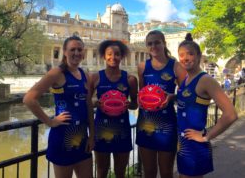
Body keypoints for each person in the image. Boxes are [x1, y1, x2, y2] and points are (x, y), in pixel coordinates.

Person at [23, 36, 94, 178]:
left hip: (82, 140)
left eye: (79, 50)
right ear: (65, 52)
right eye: (72, 49)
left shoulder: (85, 75)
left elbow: (88, 105)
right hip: (62, 138)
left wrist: (92, 135)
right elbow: (29, 99)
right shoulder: (57, 73)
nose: (76, 53)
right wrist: (50, 121)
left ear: (83, 53)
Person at [176, 33, 238, 178]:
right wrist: (172, 97)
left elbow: (231, 114)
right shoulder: (186, 79)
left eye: (190, 54)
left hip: (195, 146)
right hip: (184, 143)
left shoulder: (205, 80)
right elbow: (189, 100)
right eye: (181, 55)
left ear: (199, 56)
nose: (185, 58)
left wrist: (206, 136)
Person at [136, 30, 187, 178]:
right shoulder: (142, 67)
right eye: (150, 43)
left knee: (166, 172)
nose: (154, 46)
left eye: (157, 42)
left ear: (164, 43)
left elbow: (186, 95)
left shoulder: (175, 66)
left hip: (167, 124)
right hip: (146, 123)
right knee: (149, 171)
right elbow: (142, 93)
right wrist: (139, 99)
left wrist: (172, 97)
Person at [90, 40, 138, 178]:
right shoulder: (95, 77)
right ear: (104, 56)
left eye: (117, 54)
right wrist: (95, 102)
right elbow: (87, 102)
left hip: (122, 130)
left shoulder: (130, 79)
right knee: (101, 171)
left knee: (120, 172)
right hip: (101, 130)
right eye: (109, 54)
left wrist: (130, 104)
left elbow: (135, 104)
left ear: (121, 56)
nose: (113, 57)